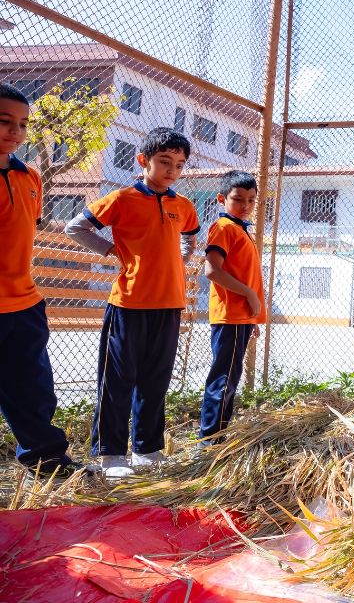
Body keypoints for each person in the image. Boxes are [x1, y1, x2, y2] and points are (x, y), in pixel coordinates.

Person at [65, 127, 200, 479]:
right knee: (117, 380)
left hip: (170, 304)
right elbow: (76, 228)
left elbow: (190, 238)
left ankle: (147, 449)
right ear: (143, 160)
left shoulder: (183, 206)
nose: (172, 170)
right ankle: (111, 455)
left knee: (156, 380)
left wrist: (179, 260)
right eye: (164, 161)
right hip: (129, 303)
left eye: (179, 165)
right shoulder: (121, 199)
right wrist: (111, 250)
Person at [0, 84, 78, 477]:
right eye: (4, 121)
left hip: (24, 302)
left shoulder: (30, 175)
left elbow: (26, 227)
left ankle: (48, 463)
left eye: (22, 124)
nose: (15, 131)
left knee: (33, 388)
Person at [199, 170, 265, 443]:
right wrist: (249, 295)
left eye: (251, 200)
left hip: (241, 318)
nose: (245, 205)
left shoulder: (240, 229)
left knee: (229, 379)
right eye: (238, 199)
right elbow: (212, 270)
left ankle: (218, 438)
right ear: (221, 199)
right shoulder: (224, 227)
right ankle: (209, 442)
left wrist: (253, 319)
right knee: (223, 380)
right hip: (230, 316)